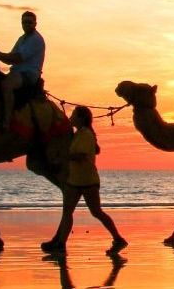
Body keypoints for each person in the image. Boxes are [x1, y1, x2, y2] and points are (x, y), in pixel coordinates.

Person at [42, 106, 127, 256]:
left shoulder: (86, 135)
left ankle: (118, 239)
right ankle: (60, 244)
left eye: (73, 115)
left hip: (88, 181)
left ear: (81, 118)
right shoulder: (79, 134)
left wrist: (61, 157)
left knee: (96, 212)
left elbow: (81, 156)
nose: (71, 117)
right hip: (75, 180)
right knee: (67, 212)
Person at [0, 10, 46, 130]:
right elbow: (10, 59)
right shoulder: (22, 39)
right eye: (24, 22)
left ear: (35, 24)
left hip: (28, 74)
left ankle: (6, 121)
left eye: (29, 22)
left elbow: (18, 58)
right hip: (17, 72)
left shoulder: (36, 40)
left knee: (6, 85)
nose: (27, 24)